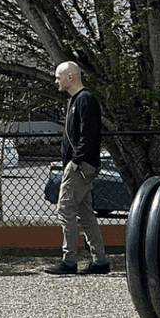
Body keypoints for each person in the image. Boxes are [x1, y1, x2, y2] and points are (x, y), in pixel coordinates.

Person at [44, 61, 109, 276]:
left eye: (58, 77)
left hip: (79, 166)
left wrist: (75, 161)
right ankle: (100, 260)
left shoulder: (84, 100)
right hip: (81, 165)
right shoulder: (78, 100)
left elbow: (88, 134)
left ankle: (69, 260)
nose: (56, 81)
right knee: (85, 213)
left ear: (70, 77)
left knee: (65, 210)